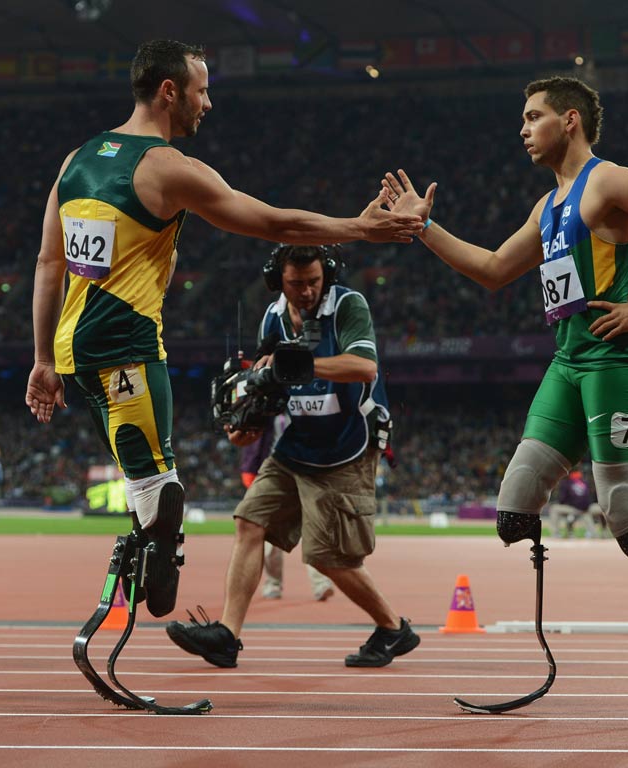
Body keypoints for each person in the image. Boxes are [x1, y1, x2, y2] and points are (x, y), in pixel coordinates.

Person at [23, 40, 423, 620]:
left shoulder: (76, 159)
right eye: (201, 90)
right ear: (169, 91)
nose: (207, 103)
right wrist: (358, 228)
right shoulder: (166, 168)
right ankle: (150, 578)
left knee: (146, 485)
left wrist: (41, 360)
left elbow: (48, 264)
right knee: (159, 489)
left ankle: (149, 558)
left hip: (71, 356)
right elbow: (271, 222)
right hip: (127, 353)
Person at [381, 74, 628, 564]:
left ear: (570, 120)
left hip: (616, 357)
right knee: (513, 510)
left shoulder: (609, 179)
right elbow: (493, 270)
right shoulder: (547, 207)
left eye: (534, 117)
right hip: (568, 358)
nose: (523, 130)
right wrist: (424, 226)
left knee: (627, 517)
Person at [166, 244, 419, 668]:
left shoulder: (348, 305)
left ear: (328, 276)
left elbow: (364, 367)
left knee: (326, 557)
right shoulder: (273, 316)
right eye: (295, 283)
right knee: (249, 522)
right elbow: (270, 381)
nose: (306, 291)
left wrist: (295, 365)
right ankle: (227, 636)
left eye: (314, 282)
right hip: (297, 441)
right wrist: (249, 422)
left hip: (347, 446)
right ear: (277, 281)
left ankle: (394, 629)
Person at [240, 414, 335, 601]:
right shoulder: (270, 409)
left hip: (307, 471)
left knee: (313, 532)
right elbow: (254, 444)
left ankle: (321, 583)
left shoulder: (305, 405)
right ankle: (273, 583)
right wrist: (251, 472)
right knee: (269, 537)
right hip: (275, 475)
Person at [547, 468, 603, 538]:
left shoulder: (566, 482)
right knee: (602, 509)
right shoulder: (584, 482)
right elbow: (590, 497)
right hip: (587, 508)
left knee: (554, 508)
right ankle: (603, 532)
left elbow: (562, 499)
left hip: (575, 509)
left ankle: (556, 534)